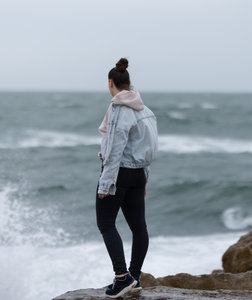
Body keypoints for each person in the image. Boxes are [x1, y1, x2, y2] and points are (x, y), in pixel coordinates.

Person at [96, 58, 158, 298]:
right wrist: (145, 178)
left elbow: (113, 149)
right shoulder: (147, 111)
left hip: (119, 173)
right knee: (138, 226)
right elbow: (149, 149)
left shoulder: (119, 110)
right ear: (129, 83)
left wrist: (105, 182)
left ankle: (122, 278)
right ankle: (135, 278)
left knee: (106, 223)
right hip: (138, 175)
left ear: (111, 83)